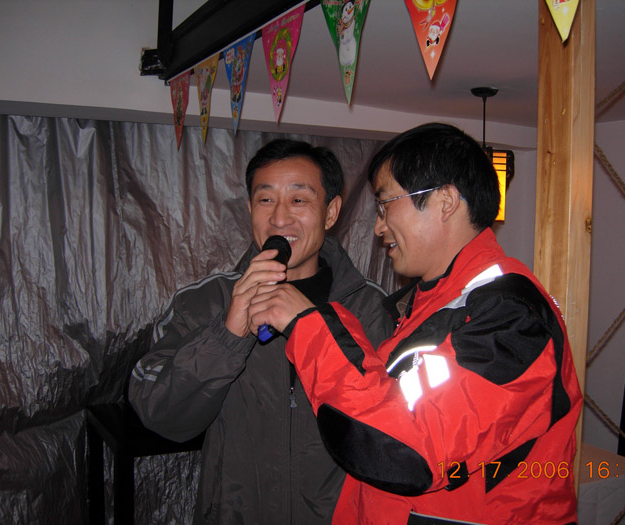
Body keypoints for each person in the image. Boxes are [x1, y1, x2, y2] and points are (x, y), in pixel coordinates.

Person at [249, 123, 583, 524]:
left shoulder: (510, 315)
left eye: (386, 204)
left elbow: (404, 453)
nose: (379, 227)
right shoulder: (426, 307)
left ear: (445, 201)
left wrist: (309, 326)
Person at [128, 139, 394, 525]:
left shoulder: (370, 309)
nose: (280, 218)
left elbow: (394, 431)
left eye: (299, 200)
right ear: (250, 209)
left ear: (331, 211)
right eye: (265, 199)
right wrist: (228, 334)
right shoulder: (204, 302)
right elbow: (158, 412)